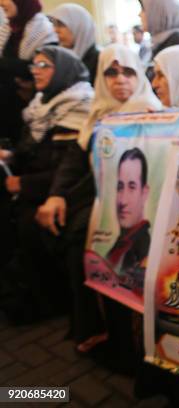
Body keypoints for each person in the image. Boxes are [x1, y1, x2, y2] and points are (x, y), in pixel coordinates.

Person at [35, 44, 161, 353]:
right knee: (75, 236)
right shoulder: (97, 115)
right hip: (102, 199)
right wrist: (56, 196)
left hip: (147, 205)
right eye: (111, 72)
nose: (120, 80)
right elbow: (74, 162)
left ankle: (126, 338)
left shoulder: (156, 114)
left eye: (128, 72)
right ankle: (98, 327)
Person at [0, 45, 92, 322]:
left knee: (23, 221)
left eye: (44, 66)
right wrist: (11, 157)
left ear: (62, 70)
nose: (35, 72)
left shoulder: (79, 107)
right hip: (35, 184)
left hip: (55, 191)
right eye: (34, 66)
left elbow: (68, 169)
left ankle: (39, 301)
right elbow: (34, 152)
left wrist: (20, 184)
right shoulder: (41, 106)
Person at [0, 0, 57, 143]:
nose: (1, 3)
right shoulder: (8, 28)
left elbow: (39, 67)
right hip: (6, 109)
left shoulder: (44, 30)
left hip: (31, 110)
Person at [106, 148, 151, 291]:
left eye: (132, 187)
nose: (123, 200)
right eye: (120, 187)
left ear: (144, 193)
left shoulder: (143, 248)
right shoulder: (121, 243)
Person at [47, 3, 99, 85]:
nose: (55, 30)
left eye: (61, 25)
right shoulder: (59, 57)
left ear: (80, 27)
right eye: (54, 24)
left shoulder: (99, 60)